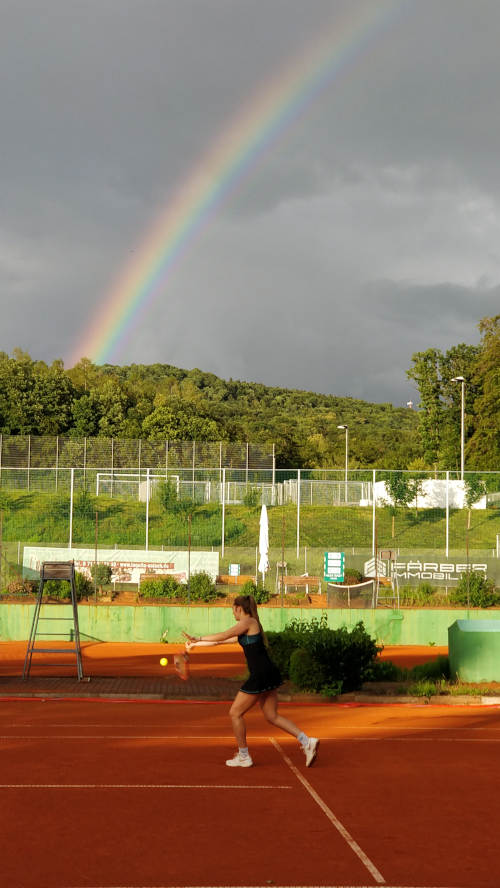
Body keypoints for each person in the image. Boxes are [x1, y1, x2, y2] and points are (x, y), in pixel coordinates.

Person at [183, 593, 319, 769]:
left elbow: (224, 635)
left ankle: (244, 756)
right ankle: (307, 742)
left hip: (260, 675)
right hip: (268, 672)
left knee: (235, 713)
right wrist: (195, 644)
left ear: (239, 608)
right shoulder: (248, 626)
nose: (233, 614)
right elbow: (220, 642)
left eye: (233, 610)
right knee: (272, 716)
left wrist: (199, 637)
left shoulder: (248, 622)